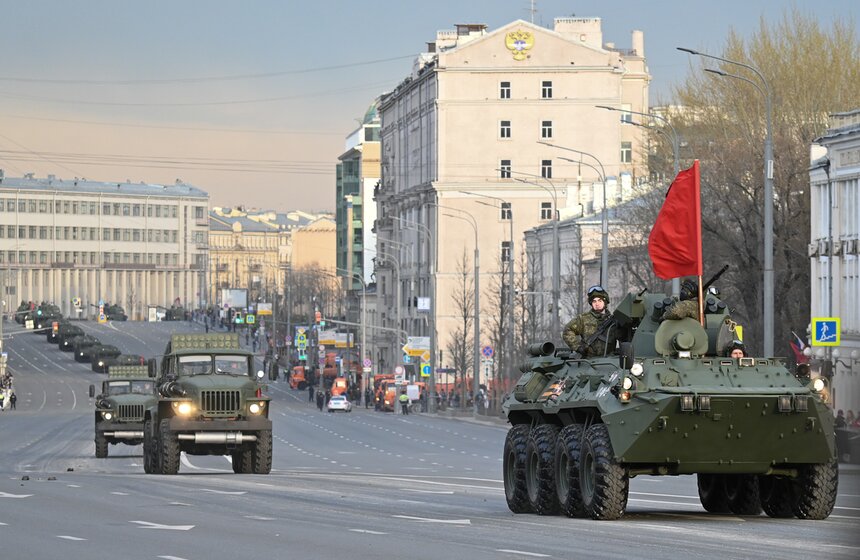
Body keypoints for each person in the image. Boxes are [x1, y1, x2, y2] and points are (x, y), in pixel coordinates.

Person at [562, 285, 618, 358]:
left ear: (605, 302)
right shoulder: (583, 319)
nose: (597, 304)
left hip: (610, 361)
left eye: (600, 301)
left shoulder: (614, 320)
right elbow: (567, 331)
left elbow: (625, 338)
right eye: (594, 301)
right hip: (588, 361)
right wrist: (577, 347)